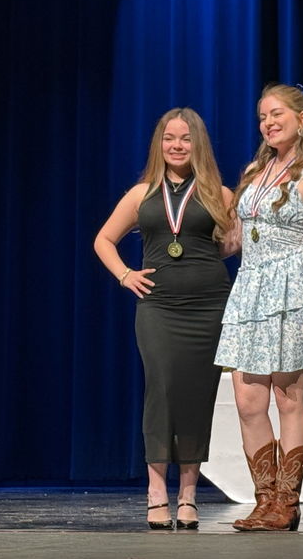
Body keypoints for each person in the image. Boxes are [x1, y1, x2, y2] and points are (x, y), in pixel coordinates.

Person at [94, 108, 239, 530]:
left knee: (196, 396)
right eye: (169, 138)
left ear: (199, 145)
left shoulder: (220, 194)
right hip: (158, 308)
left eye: (186, 138)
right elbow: (103, 239)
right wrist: (125, 275)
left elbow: (232, 245)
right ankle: (157, 493)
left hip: (210, 305)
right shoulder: (141, 194)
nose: (177, 145)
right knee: (162, 389)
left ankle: (189, 495)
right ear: (159, 144)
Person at [215, 83, 303, 531]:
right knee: (248, 401)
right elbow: (236, 238)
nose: (268, 124)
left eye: (277, 115)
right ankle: (263, 499)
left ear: (302, 119)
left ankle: (285, 504)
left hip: (293, 288)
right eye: (262, 117)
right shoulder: (255, 170)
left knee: (288, 398)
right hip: (250, 289)